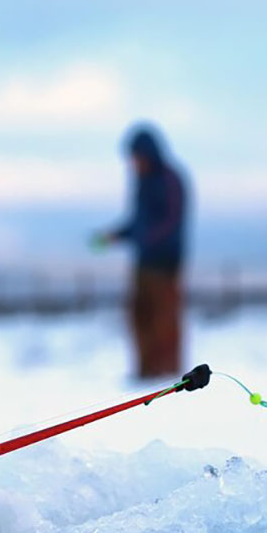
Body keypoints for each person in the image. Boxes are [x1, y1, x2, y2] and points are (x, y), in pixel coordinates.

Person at [93, 123, 188, 379]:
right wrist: (115, 236)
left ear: (148, 154)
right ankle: (146, 373)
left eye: (136, 157)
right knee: (139, 317)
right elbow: (137, 223)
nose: (133, 163)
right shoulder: (143, 183)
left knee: (164, 320)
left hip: (166, 264)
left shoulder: (171, 180)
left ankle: (169, 375)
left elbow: (170, 220)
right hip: (143, 264)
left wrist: (146, 238)